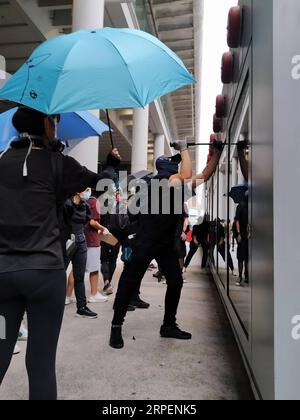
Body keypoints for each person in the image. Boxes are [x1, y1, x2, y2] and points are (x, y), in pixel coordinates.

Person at [0, 106, 121, 400]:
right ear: (45, 123)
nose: (57, 125)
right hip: (45, 275)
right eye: (55, 120)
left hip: (2, 278)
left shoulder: (1, 162)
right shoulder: (58, 163)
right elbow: (104, 184)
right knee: (41, 363)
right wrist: (111, 164)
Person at [110, 140, 224, 349]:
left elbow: (203, 176)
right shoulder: (161, 182)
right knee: (128, 282)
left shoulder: (176, 186)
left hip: (164, 245)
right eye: (177, 165)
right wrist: (183, 148)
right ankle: (116, 326)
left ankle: (168, 325)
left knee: (175, 281)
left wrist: (217, 153)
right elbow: (188, 174)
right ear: (169, 170)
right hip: (145, 243)